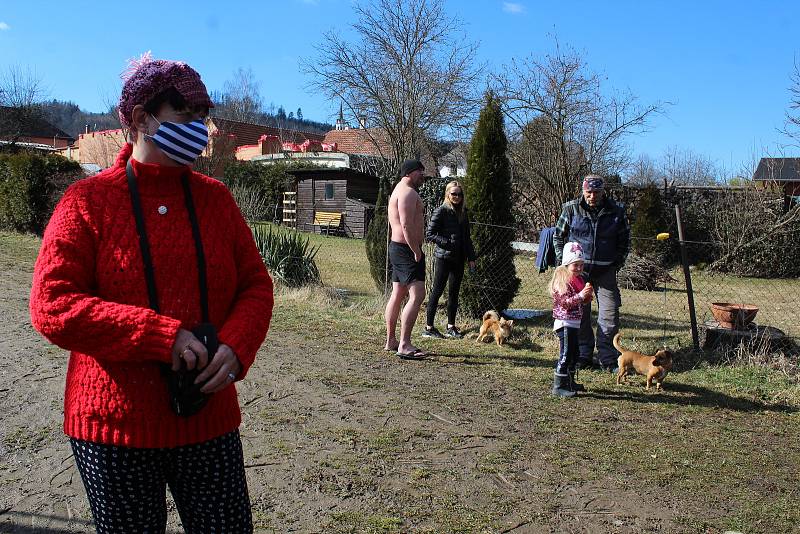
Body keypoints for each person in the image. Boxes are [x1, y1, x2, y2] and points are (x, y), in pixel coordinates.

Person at [29, 54, 274, 533]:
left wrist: (236, 347)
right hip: (113, 427)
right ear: (143, 118)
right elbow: (52, 304)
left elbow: (255, 286)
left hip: (207, 416)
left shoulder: (216, 200)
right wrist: (161, 336)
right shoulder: (87, 202)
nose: (202, 128)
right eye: (188, 116)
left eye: (205, 116)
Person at [553, 174, 630, 372]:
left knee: (610, 315)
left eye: (596, 192)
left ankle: (608, 359)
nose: (592, 196)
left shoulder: (617, 211)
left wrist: (616, 264)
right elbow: (558, 237)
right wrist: (566, 264)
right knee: (579, 314)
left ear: (604, 192)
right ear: (583, 191)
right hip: (579, 273)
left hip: (606, 271)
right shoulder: (570, 209)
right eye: (589, 192)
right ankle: (583, 355)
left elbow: (624, 241)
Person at [384, 159, 427, 359]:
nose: (422, 176)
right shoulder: (408, 192)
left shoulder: (398, 190)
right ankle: (404, 344)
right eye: (420, 172)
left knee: (398, 293)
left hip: (398, 248)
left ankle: (391, 340)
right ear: (410, 172)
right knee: (418, 294)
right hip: (406, 250)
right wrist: (416, 250)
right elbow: (407, 225)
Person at [422, 181, 476, 339]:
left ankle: (451, 326)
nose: (457, 197)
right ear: (447, 194)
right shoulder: (441, 211)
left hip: (459, 258)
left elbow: (467, 238)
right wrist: (446, 243)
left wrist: (471, 258)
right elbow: (430, 233)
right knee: (437, 292)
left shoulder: (463, 213)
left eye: (459, 194)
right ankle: (429, 327)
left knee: (454, 293)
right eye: (454, 194)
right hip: (443, 257)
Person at [549, 242, 594, 397]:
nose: (580, 268)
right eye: (576, 265)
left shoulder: (579, 280)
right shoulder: (562, 281)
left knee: (575, 353)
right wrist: (581, 296)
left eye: (582, 265)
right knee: (566, 353)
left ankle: (569, 381)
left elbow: (580, 301)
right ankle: (558, 386)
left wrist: (586, 297)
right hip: (565, 323)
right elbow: (565, 303)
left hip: (575, 323)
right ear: (567, 264)